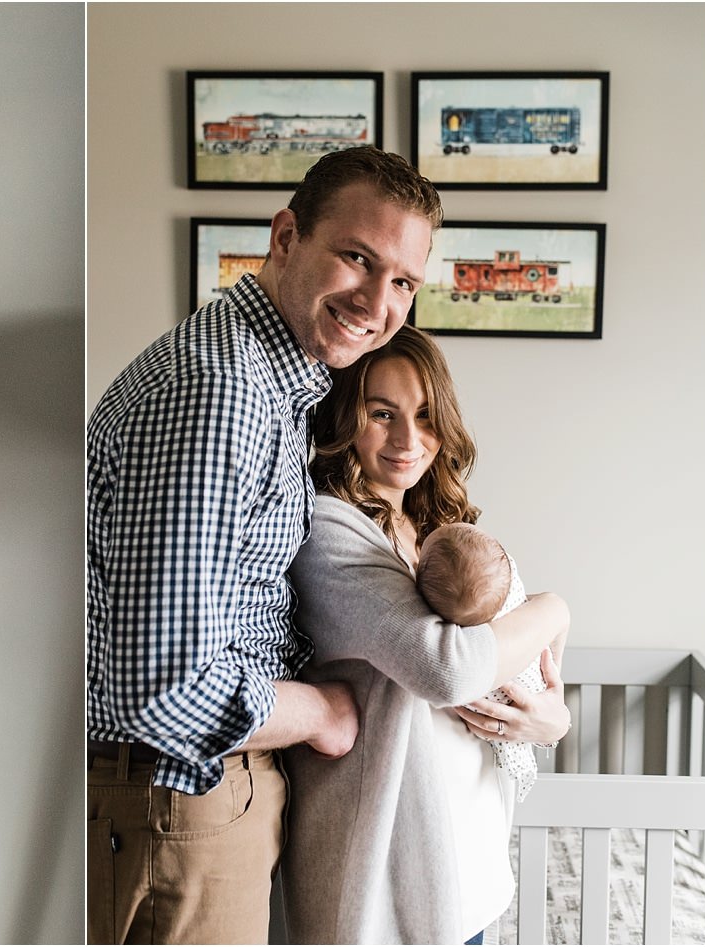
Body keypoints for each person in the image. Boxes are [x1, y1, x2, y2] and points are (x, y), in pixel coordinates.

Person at [84, 146, 441, 944]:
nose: (378, 301)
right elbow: (164, 685)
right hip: (182, 796)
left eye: (404, 282)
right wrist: (321, 709)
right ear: (285, 237)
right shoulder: (222, 392)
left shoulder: (276, 387)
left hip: (193, 800)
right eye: (357, 258)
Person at [282, 326, 571, 945]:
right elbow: (449, 668)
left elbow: (524, 671)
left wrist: (551, 720)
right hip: (391, 887)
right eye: (381, 414)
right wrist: (554, 607)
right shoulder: (330, 528)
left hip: (472, 873)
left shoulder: (437, 529)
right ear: (343, 417)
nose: (408, 441)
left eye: (424, 415)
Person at [418, 522, 561, 802]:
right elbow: (456, 674)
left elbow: (553, 712)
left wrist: (555, 720)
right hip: (455, 780)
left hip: (481, 772)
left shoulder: (462, 568)